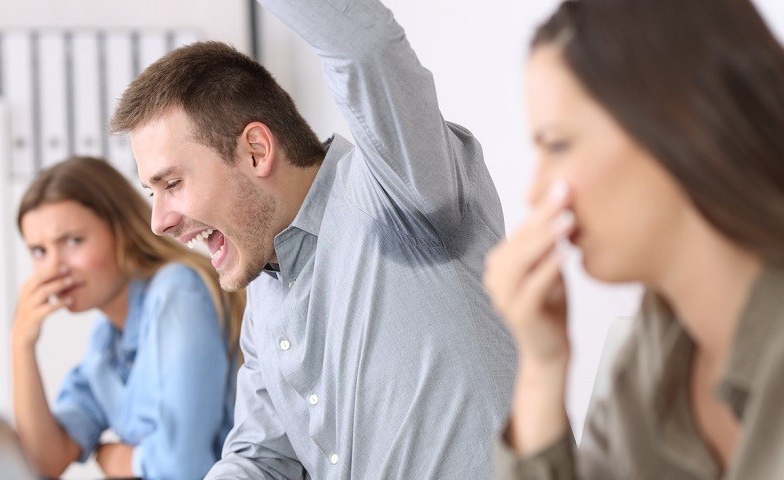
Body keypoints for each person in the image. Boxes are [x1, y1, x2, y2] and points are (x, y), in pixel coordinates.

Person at [109, 0, 518, 477]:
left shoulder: (398, 189)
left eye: (172, 184)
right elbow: (261, 460)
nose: (158, 222)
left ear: (256, 151)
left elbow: (364, 45)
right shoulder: (266, 293)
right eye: (151, 191)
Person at [484, 0, 784, 478]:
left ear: (679, 125)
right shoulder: (645, 362)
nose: (535, 191)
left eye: (558, 144)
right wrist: (542, 370)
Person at [11, 156, 246, 480]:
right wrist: (21, 346)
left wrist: (116, 458)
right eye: (39, 251)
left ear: (120, 230)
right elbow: (45, 463)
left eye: (73, 241)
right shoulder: (105, 343)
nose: (54, 268)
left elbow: (183, 468)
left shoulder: (175, 292)